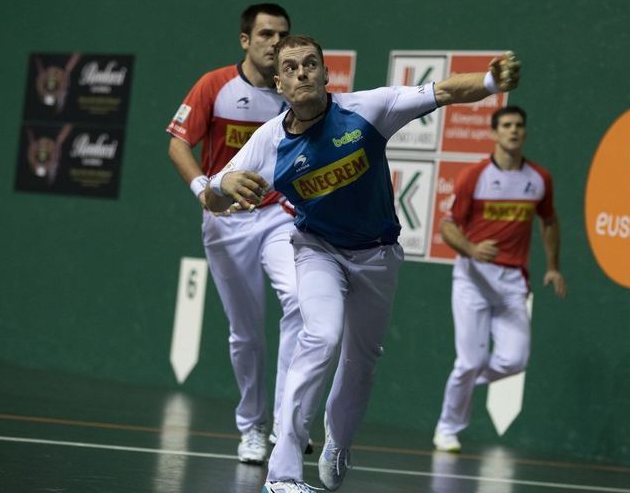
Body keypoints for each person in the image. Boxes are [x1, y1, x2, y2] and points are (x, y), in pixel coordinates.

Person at [205, 35, 521, 493]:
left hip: (378, 255)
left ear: (325, 73)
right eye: (290, 68)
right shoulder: (268, 142)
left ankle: (338, 442)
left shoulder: (368, 110)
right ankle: (283, 475)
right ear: (279, 84)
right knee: (320, 336)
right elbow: (214, 196)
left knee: (362, 360)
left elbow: (446, 91)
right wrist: (223, 183)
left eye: (310, 64)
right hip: (317, 250)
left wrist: (491, 81)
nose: (301, 73)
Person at [165, 3, 306, 464]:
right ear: (246, 40)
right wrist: (203, 190)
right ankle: (252, 427)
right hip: (226, 220)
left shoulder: (295, 92)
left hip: (279, 215)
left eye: (282, 35)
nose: (275, 43)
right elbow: (178, 143)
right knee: (246, 334)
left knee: (300, 301)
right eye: (266, 34)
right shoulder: (215, 85)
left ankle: (286, 422)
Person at [432, 105, 567, 454]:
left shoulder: (539, 179)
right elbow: (447, 226)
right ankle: (448, 428)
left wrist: (553, 266)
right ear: (493, 133)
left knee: (514, 360)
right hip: (473, 278)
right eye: (506, 125)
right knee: (470, 361)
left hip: (512, 282)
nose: (513, 130)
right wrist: (472, 249)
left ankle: (463, 380)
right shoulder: (474, 176)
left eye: (519, 125)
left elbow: (549, 221)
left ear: (525, 132)